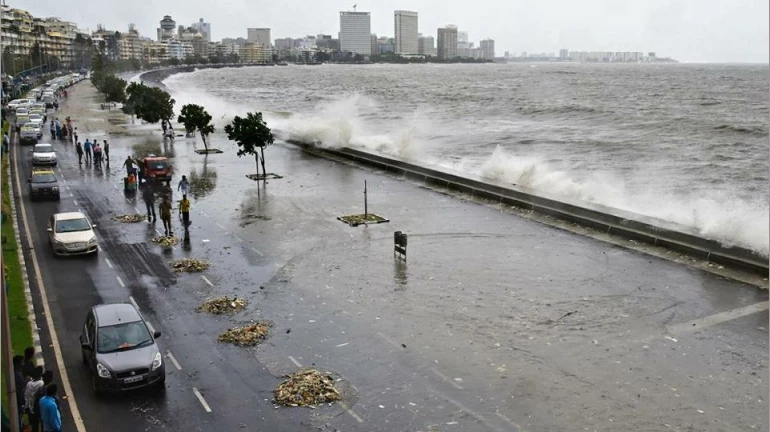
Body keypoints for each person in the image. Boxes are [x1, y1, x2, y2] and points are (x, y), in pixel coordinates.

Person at [24, 367, 44, 432]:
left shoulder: (29, 384)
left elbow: (26, 396)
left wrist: (26, 407)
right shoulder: (41, 383)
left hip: (31, 408)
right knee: (43, 424)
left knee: (34, 426)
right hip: (39, 408)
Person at [13, 356, 25, 430]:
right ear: (18, 363)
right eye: (22, 362)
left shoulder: (18, 372)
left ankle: (21, 425)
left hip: (20, 396)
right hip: (19, 397)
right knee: (20, 413)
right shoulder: (17, 374)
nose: (23, 364)